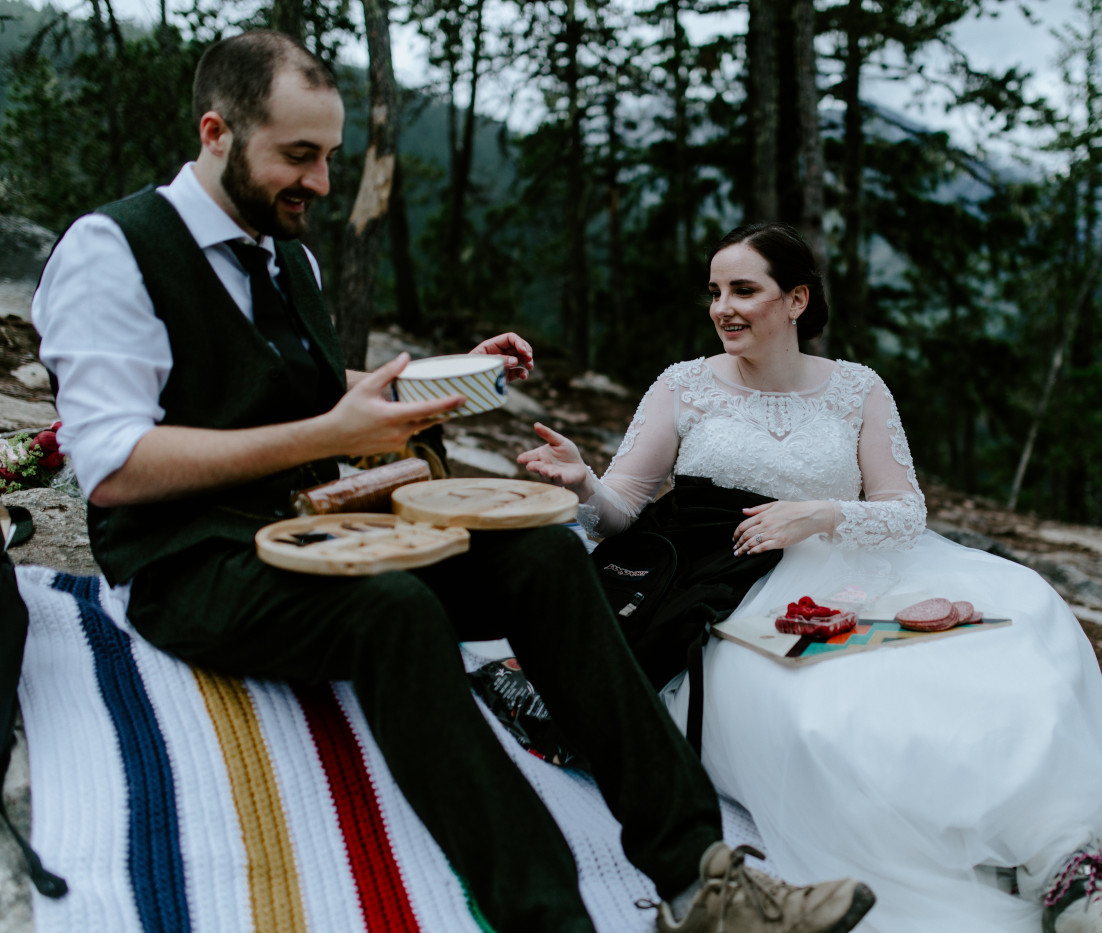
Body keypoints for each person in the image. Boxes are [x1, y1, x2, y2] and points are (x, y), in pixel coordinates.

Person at [30, 35, 877, 933]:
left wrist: (440, 384)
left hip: (322, 531)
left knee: (547, 556)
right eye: (299, 155)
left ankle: (703, 878)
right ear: (216, 132)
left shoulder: (291, 258)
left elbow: (318, 406)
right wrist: (328, 433)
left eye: (329, 156)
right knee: (394, 611)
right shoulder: (111, 251)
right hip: (188, 564)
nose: (321, 181)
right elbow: (113, 468)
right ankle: (550, 916)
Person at [518, 221, 1102, 933]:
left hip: (861, 559)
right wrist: (584, 481)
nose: (723, 307)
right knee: (840, 709)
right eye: (714, 291)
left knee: (1016, 626)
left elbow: (906, 509)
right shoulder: (684, 384)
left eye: (744, 289)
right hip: (732, 584)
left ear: (796, 300)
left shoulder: (858, 388)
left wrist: (821, 513)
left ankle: (1074, 866)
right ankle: (1004, 852)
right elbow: (623, 512)